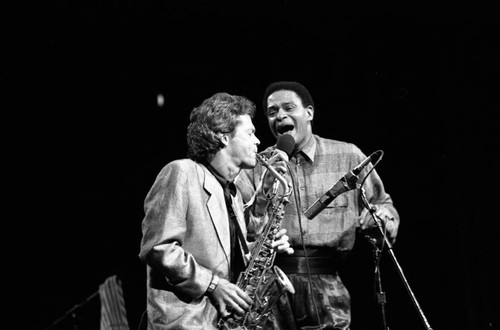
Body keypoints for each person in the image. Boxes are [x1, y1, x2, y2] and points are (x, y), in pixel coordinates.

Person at [236, 81, 400, 330]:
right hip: (267, 285)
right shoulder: (256, 164)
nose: (280, 116)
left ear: (309, 113)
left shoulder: (348, 156)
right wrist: (262, 195)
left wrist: (380, 218)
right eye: (272, 112)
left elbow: (382, 204)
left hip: (328, 285)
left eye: (288, 108)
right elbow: (241, 227)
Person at [138, 92, 294, 329]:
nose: (258, 142)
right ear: (223, 137)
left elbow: (221, 254)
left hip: (219, 320)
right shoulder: (181, 172)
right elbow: (159, 248)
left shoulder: (232, 192)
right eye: (250, 133)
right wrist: (213, 284)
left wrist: (261, 246)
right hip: (186, 321)